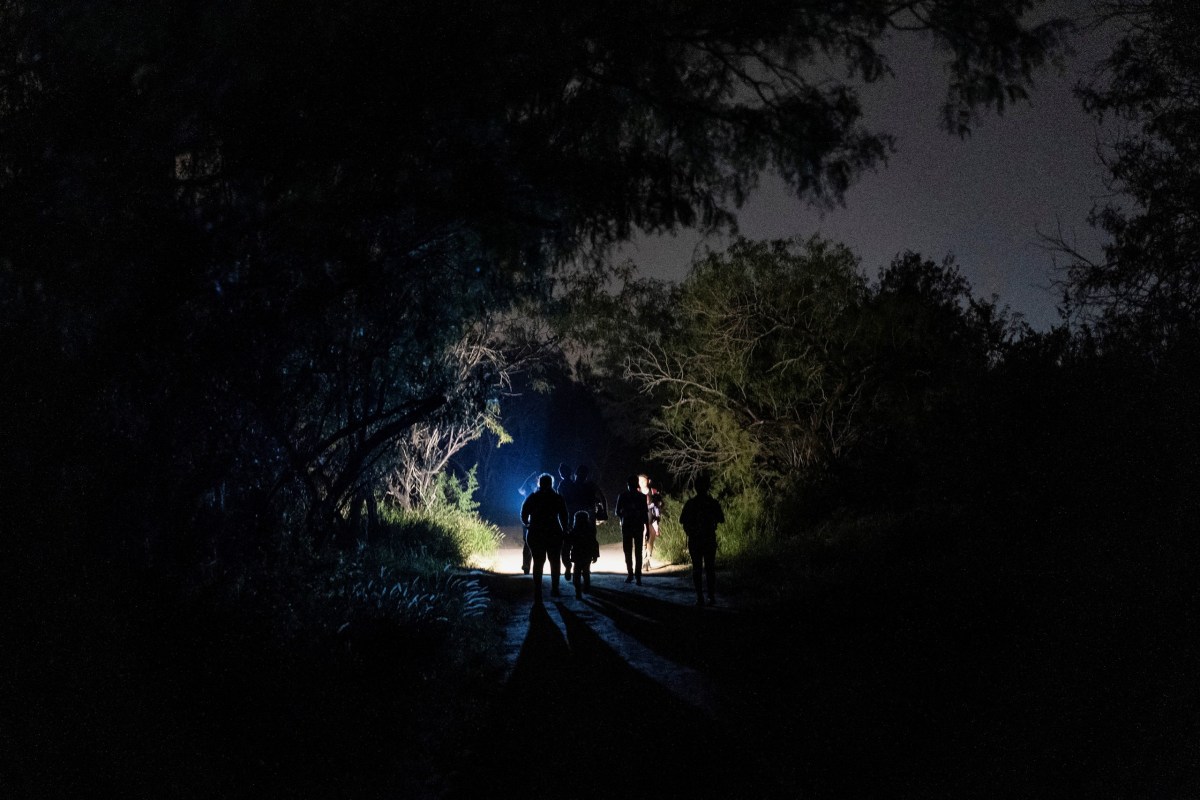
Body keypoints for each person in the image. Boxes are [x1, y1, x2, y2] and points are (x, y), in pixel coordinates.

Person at [520, 473, 569, 603]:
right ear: (551, 484)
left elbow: (524, 513)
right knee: (554, 561)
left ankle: (538, 590)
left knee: (538, 561)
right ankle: (555, 588)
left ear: (540, 483)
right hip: (554, 532)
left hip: (536, 532)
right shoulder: (557, 498)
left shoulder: (533, 497)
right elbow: (564, 515)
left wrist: (527, 524)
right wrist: (565, 529)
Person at [679, 474, 724, 607]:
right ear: (708, 487)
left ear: (696, 488)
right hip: (709, 538)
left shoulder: (691, 503)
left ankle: (700, 597)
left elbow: (682, 520)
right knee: (710, 568)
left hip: (695, 539)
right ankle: (711, 596)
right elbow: (721, 519)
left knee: (697, 569)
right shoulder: (712, 503)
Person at [614, 474, 648, 584]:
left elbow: (617, 512)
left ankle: (631, 574)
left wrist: (624, 514)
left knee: (628, 551)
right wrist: (646, 528)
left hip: (627, 525)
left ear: (628, 485)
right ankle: (637, 576)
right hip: (636, 526)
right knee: (638, 551)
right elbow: (645, 515)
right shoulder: (642, 497)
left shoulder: (623, 496)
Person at [566, 509, 599, 598]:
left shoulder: (574, 531)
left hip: (577, 555)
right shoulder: (590, 531)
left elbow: (568, 544)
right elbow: (594, 543)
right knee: (586, 572)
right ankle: (586, 588)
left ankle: (578, 591)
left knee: (576, 573)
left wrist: (567, 557)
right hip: (587, 555)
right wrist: (595, 555)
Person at [638, 473, 664, 569]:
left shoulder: (654, 492)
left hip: (652, 521)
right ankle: (642, 560)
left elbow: (661, 504)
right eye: (639, 481)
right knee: (642, 542)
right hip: (640, 521)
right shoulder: (636, 492)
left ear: (648, 481)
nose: (641, 482)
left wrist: (657, 504)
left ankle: (647, 560)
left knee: (650, 542)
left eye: (643, 480)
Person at [557, 463, 577, 580]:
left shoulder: (562, 486)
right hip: (575, 518)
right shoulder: (576, 486)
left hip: (565, 519)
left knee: (565, 546)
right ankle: (576, 567)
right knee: (575, 544)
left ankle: (568, 566)